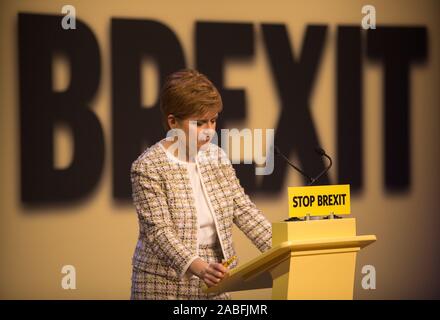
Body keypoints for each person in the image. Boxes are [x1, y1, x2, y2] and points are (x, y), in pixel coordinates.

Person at [130, 69, 272, 300]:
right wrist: (198, 266)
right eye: (199, 123)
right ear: (173, 122)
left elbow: (243, 209)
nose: (209, 131)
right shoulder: (147, 166)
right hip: (163, 283)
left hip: (216, 274)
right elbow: (159, 232)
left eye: (213, 121)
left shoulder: (217, 157)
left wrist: (282, 250)